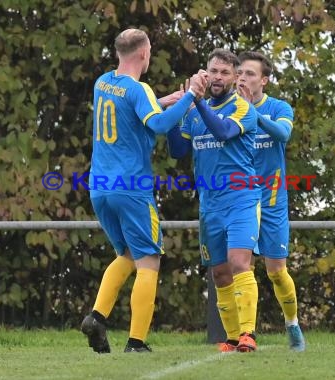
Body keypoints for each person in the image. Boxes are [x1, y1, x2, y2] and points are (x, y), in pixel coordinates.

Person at [81, 28, 206, 354]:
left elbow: (135, 110)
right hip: (131, 187)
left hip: (100, 186)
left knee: (125, 255)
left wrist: (165, 100)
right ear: (143, 54)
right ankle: (136, 342)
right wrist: (191, 95)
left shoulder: (103, 82)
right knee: (149, 259)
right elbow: (160, 126)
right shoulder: (139, 89)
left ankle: (96, 317)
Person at [167, 48, 260, 353]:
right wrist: (176, 112)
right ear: (204, 74)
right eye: (213, 71)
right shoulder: (193, 110)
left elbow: (221, 131)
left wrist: (194, 101)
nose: (218, 78)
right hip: (210, 205)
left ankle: (249, 334)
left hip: (242, 199)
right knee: (219, 272)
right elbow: (177, 151)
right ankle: (232, 338)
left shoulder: (243, 108)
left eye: (224, 73)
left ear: (235, 77)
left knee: (238, 262)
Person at [236, 51, 306, 351]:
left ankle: (292, 324)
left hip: (273, 199)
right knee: (241, 266)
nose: (242, 78)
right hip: (241, 199)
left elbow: (282, 134)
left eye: (249, 74)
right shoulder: (230, 108)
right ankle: (245, 335)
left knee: (276, 271)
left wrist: (254, 114)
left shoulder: (278, 107)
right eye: (240, 73)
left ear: (264, 80)